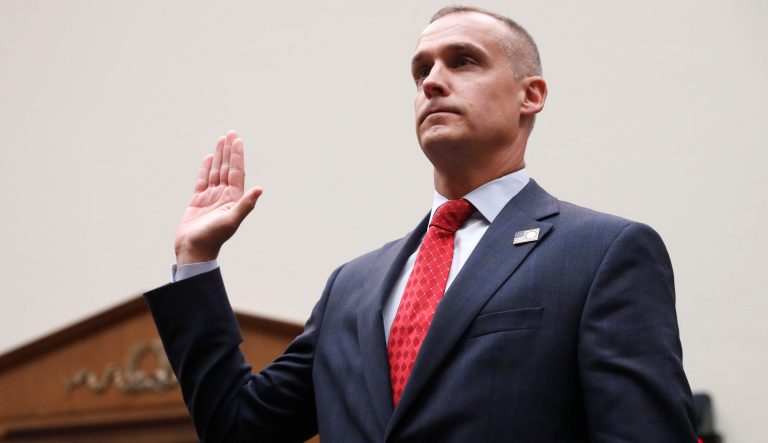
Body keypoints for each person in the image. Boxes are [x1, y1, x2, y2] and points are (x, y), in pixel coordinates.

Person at [145, 6, 698, 442]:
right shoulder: (353, 286)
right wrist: (196, 261)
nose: (433, 81)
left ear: (531, 96)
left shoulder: (603, 252)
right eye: (421, 70)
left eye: (463, 61)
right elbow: (240, 427)